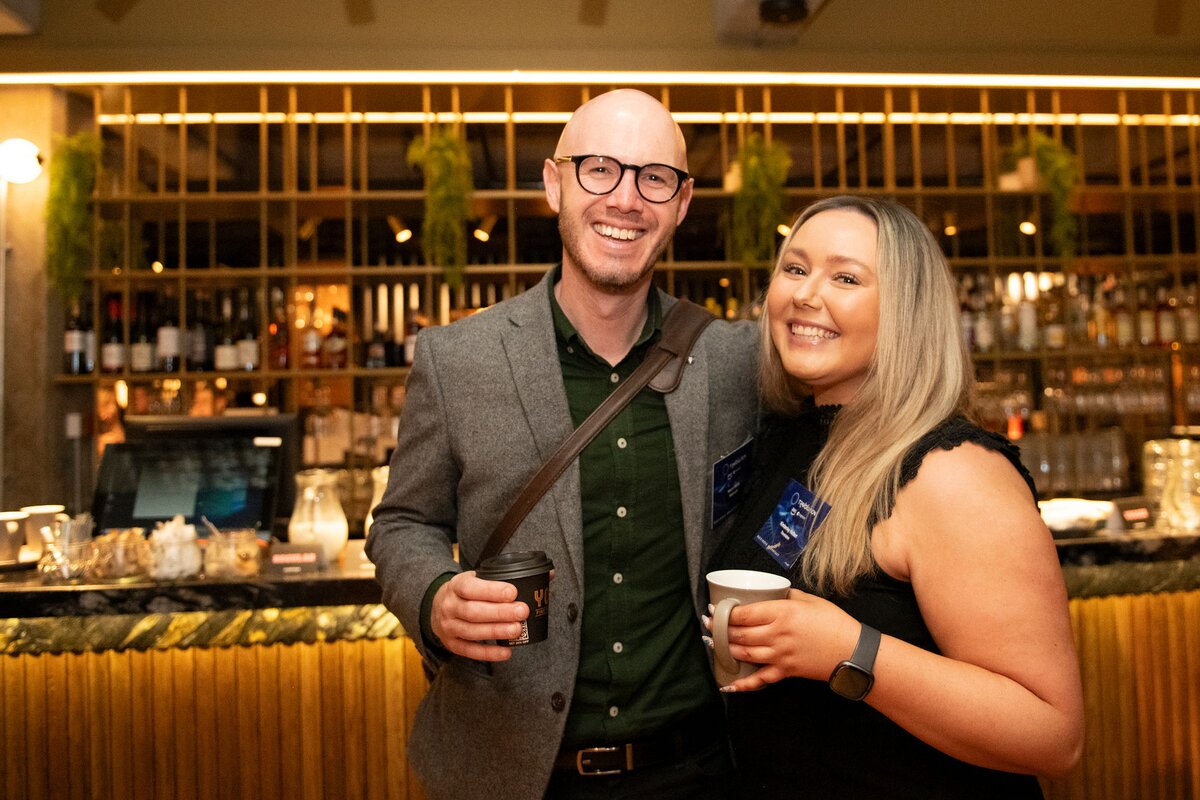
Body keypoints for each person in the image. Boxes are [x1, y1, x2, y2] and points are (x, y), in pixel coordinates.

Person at [366, 88, 759, 800]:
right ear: (554, 184)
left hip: (700, 768)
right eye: (599, 169)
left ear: (681, 203)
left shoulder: (734, 361)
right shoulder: (459, 360)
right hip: (512, 770)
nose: (625, 199)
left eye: (654, 178)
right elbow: (403, 523)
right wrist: (433, 597)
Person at [705, 195, 1084, 799]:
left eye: (846, 278)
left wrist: (848, 651)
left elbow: (1051, 736)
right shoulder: (791, 440)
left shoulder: (952, 472)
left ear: (905, 311)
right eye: (795, 269)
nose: (805, 294)